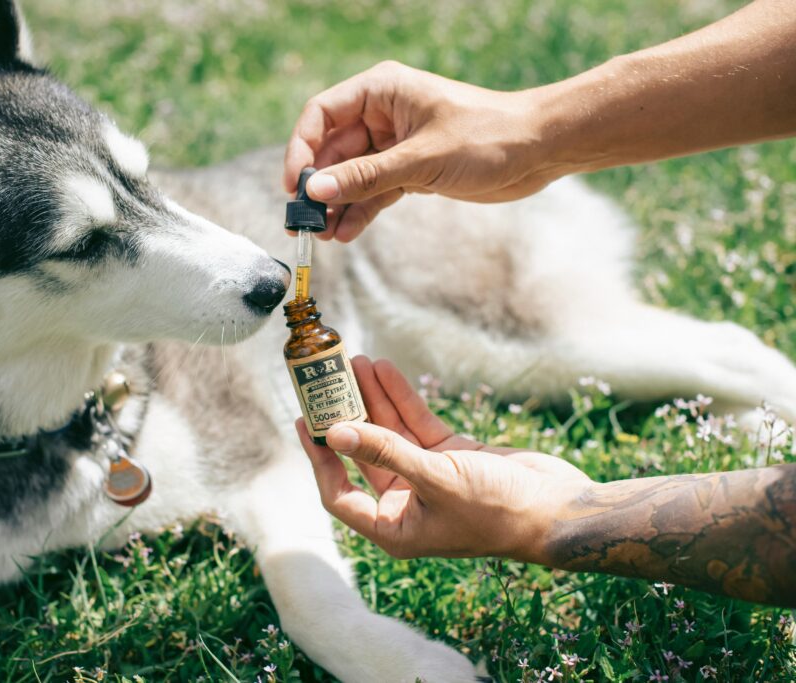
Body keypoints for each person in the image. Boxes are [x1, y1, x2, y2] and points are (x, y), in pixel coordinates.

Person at [284, 0, 796, 608]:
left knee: (560, 351)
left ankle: (740, 374)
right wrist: (529, 130)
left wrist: (555, 519)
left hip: (446, 251)